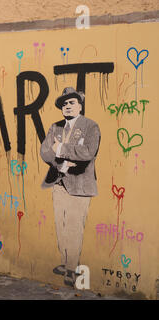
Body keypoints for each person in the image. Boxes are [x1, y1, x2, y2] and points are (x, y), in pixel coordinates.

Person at [40, 87, 101, 287]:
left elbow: (88, 152)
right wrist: (62, 163)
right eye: (64, 104)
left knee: (75, 227)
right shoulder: (55, 127)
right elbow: (45, 152)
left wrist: (62, 148)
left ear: (80, 105)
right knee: (61, 226)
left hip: (80, 186)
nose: (67, 106)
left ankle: (72, 270)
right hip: (59, 182)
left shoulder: (90, 126)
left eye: (71, 102)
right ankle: (66, 262)